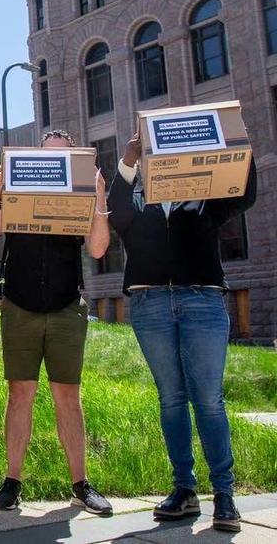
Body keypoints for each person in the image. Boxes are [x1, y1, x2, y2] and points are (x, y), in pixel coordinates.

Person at [108, 133, 257, 534]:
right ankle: (184, 489)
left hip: (202, 301)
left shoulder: (205, 199)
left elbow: (243, 196)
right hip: (150, 304)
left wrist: (240, 148)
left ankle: (224, 495)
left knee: (208, 399)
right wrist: (128, 159)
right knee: (171, 399)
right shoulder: (138, 203)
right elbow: (116, 214)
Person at [0, 129, 113, 515]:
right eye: (48, 156)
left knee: (68, 397)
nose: (55, 163)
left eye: (63, 157)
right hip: (19, 307)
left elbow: (99, 248)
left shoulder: (84, 196)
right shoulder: (15, 188)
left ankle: (80, 485)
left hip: (67, 306)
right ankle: (12, 482)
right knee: (20, 394)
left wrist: (99, 197)